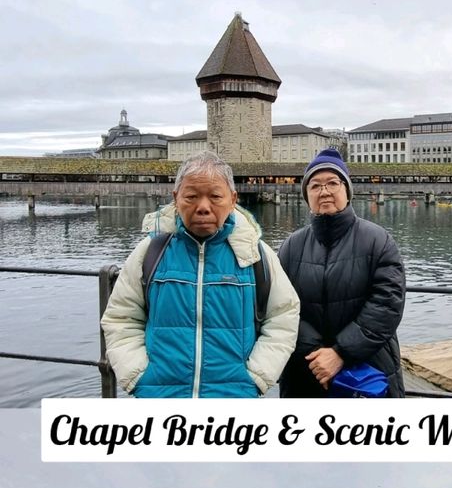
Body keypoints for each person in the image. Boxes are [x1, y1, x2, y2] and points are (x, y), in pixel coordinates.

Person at [101, 151, 299, 397]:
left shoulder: (255, 255)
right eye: (192, 196)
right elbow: (121, 318)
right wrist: (138, 376)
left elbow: (283, 317)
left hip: (233, 398)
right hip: (160, 397)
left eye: (215, 196)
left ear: (233, 199)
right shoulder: (150, 252)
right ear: (176, 198)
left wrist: (256, 376)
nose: (203, 207)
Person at [277, 148, 406, 397]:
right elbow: (279, 305)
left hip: (368, 369)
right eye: (315, 186)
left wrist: (340, 353)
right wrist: (318, 353)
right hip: (307, 370)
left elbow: (387, 304)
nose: (324, 191)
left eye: (332, 183)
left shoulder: (378, 240)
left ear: (346, 190)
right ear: (307, 196)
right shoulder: (291, 246)